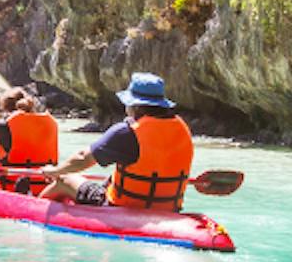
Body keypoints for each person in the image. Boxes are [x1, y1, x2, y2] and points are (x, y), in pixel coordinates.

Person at [37, 73, 193, 211]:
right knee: (108, 180)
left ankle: (35, 208)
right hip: (169, 208)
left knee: (64, 179)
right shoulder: (182, 129)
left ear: (135, 106)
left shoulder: (127, 132)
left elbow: (83, 158)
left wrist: (55, 171)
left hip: (122, 208)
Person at [0, 87, 60, 194]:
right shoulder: (51, 123)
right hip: (46, 188)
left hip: (11, 188)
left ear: (7, 108)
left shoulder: (6, 127)